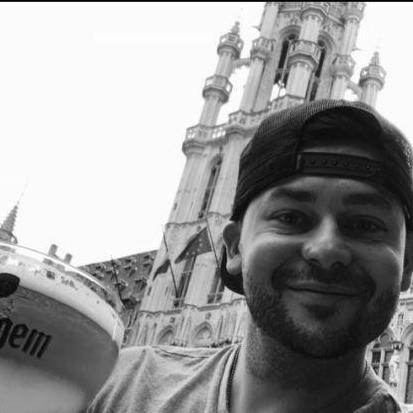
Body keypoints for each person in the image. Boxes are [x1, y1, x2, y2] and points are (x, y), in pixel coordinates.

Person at [86, 99, 413, 413]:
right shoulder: (112, 386)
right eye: (291, 217)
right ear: (234, 247)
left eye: (365, 224)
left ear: (408, 263)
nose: (326, 250)